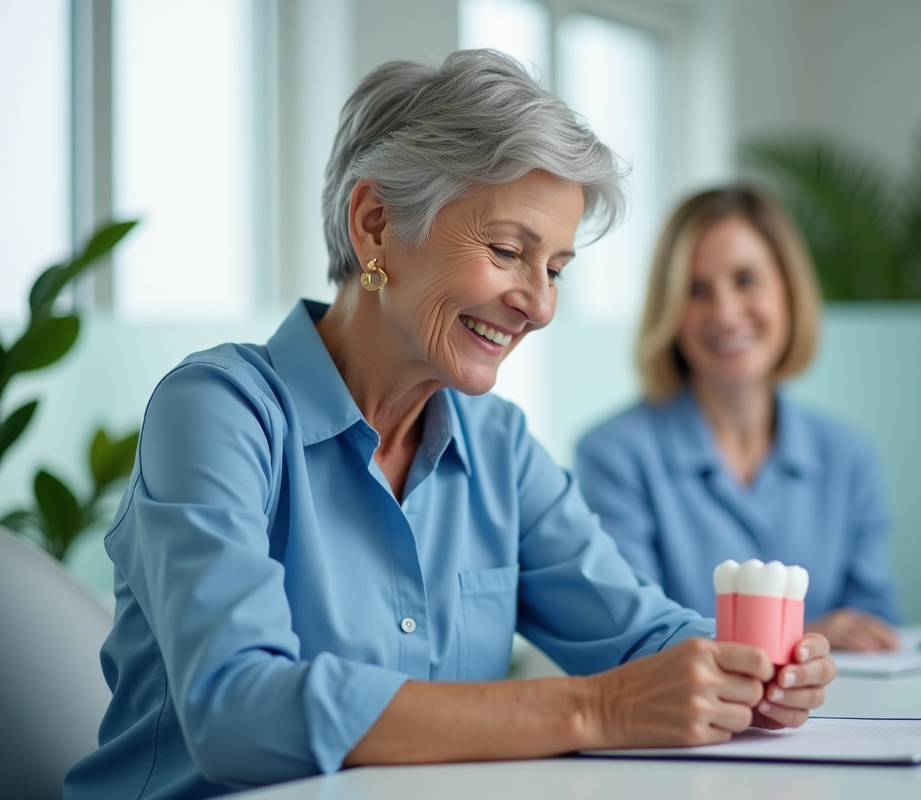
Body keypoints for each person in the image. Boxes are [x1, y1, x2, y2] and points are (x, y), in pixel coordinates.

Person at [64, 56, 835, 800]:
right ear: (374, 225)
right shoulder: (218, 412)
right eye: (507, 251)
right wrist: (596, 709)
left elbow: (638, 635)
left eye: (555, 269)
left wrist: (754, 671)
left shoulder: (499, 448)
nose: (539, 304)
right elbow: (239, 708)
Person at [575, 186, 921, 653]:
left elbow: (871, 626)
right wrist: (794, 636)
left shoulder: (847, 453)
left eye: (746, 280)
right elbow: (639, 635)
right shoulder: (614, 454)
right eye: (696, 290)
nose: (725, 312)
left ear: (788, 290)